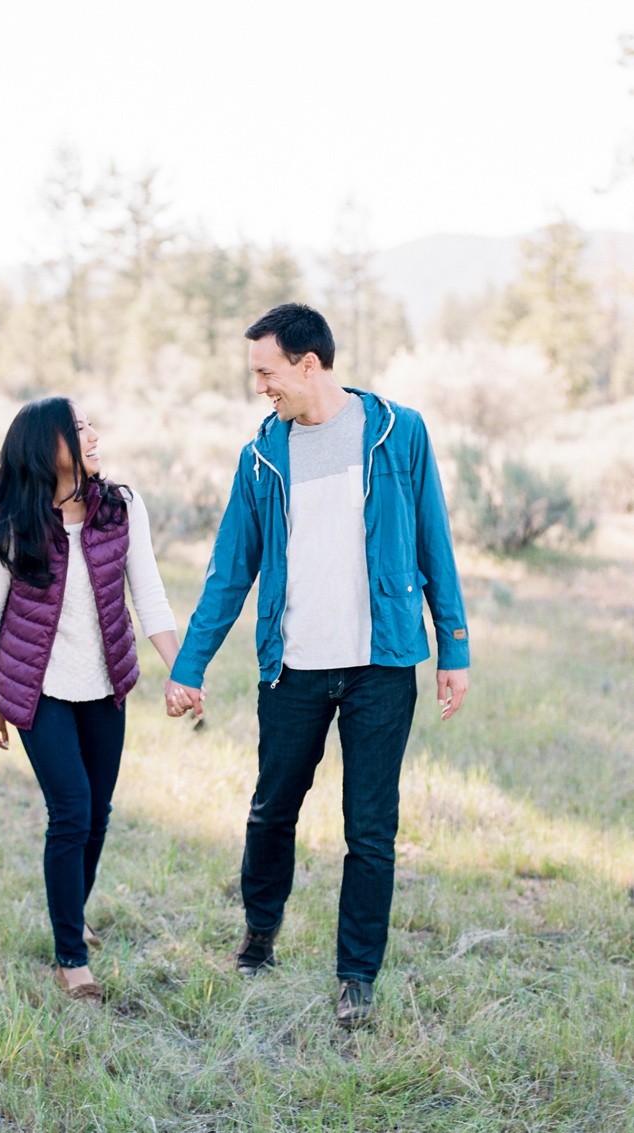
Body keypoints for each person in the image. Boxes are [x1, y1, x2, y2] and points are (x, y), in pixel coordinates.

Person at [165, 303, 469, 1028]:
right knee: (273, 809)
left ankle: (356, 975)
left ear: (309, 363)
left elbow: (436, 544)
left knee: (371, 827)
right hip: (293, 668)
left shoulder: (399, 432)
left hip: (381, 665)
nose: (260, 386)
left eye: (267, 371)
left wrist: (452, 646)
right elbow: (229, 571)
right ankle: (259, 935)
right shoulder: (262, 456)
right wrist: (189, 664)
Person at [0, 396, 180, 1002]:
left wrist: (183, 667)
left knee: (98, 813)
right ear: (47, 446)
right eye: (79, 428)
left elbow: (150, 594)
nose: (93, 436)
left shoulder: (121, 507)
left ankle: (72, 911)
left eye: (92, 426)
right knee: (70, 810)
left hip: (105, 683)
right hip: (38, 691)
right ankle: (71, 957)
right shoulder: (11, 528)